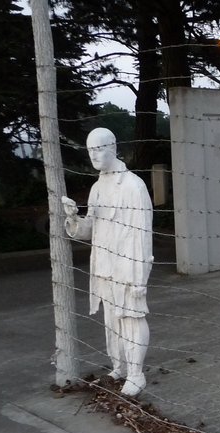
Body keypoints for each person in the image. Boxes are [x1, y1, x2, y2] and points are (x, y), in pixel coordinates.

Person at [62, 128, 153, 397]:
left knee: (132, 318)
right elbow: (90, 230)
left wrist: (140, 278)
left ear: (113, 147)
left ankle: (137, 374)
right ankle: (119, 366)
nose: (94, 155)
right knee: (112, 319)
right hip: (104, 266)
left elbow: (143, 235)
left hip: (127, 268)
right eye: (90, 150)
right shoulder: (97, 187)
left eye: (99, 148)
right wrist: (75, 219)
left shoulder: (133, 186)